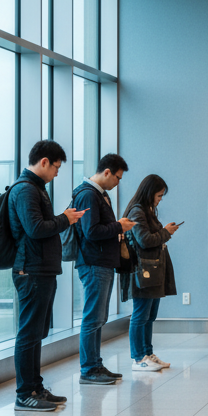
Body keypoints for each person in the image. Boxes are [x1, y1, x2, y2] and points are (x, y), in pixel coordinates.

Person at [8, 140, 86, 411]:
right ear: (44, 162)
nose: (57, 173)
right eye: (56, 167)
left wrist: (63, 218)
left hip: (41, 270)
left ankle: (35, 387)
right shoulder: (26, 190)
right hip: (31, 271)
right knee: (29, 333)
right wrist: (65, 219)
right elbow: (35, 229)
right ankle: (24, 393)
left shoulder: (35, 189)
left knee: (37, 332)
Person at [72, 153, 135, 386]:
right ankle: (89, 369)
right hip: (93, 263)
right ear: (107, 172)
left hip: (102, 263)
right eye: (117, 177)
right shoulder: (88, 194)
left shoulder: (98, 195)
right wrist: (119, 226)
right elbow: (91, 232)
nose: (118, 183)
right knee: (92, 318)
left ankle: (95, 365)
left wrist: (117, 227)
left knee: (99, 317)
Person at [122, 174, 181, 372]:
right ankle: (139, 357)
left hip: (153, 271)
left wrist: (164, 232)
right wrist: (166, 232)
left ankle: (148, 353)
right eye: (159, 195)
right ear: (149, 193)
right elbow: (144, 240)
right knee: (140, 315)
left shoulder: (147, 210)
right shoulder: (137, 211)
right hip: (142, 271)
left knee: (149, 315)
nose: (160, 199)